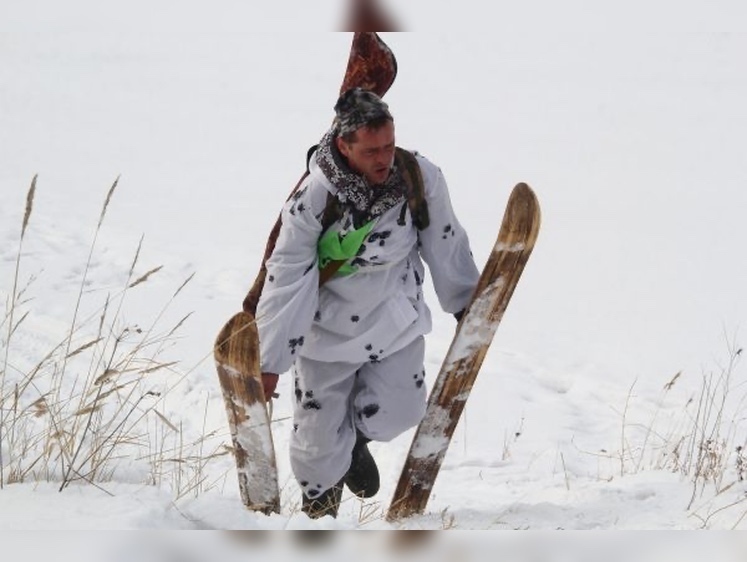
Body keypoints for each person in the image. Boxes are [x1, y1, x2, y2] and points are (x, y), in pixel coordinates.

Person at [255, 87, 480, 518]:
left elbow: (446, 239)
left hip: (394, 320)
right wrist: (269, 362)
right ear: (344, 146)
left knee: (402, 409)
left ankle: (355, 443)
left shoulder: (418, 176)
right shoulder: (312, 201)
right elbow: (287, 278)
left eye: (389, 146)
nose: (384, 159)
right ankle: (320, 520)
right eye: (372, 150)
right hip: (326, 331)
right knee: (317, 446)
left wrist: (467, 305)